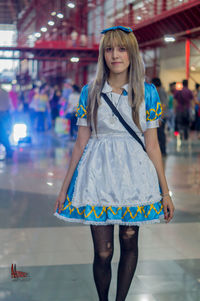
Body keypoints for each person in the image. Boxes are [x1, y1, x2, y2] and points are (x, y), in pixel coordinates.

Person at [54, 26, 175, 301]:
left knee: (129, 241)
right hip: (98, 176)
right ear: (102, 54)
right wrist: (64, 189)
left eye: (121, 49)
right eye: (109, 49)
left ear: (131, 53)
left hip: (135, 176)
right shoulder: (90, 91)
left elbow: (152, 145)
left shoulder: (147, 93)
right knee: (103, 252)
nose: (115, 55)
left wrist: (165, 192)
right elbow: (80, 143)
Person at [151, 77, 168, 156]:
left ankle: (163, 151)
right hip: (158, 117)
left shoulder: (160, 91)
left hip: (161, 117)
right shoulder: (157, 91)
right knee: (158, 134)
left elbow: (163, 105)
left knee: (161, 134)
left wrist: (160, 118)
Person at [0, 85, 13, 158]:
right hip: (5, 114)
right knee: (3, 133)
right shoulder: (5, 92)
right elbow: (9, 104)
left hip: (1, 114)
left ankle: (9, 150)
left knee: (2, 134)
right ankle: (9, 150)